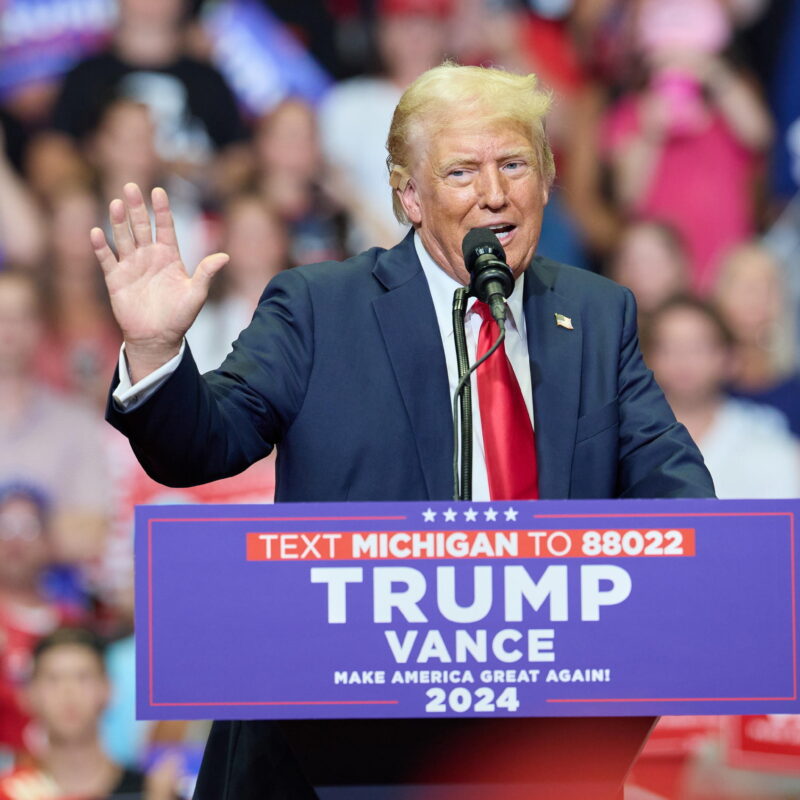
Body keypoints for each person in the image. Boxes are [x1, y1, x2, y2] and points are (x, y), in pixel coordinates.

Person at [94, 63, 714, 797]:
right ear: (409, 195)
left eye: (515, 164)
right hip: (331, 743)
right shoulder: (321, 307)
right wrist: (158, 352)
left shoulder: (596, 313)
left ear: (547, 179)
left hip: (533, 740)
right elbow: (206, 444)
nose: (495, 193)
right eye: (461, 172)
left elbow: (678, 500)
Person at [643, 295, 800, 498]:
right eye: (668, 348)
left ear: (728, 358)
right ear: (647, 359)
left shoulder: (766, 433)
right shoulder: (622, 438)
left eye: (697, 348)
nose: (682, 360)